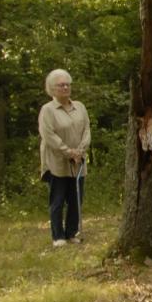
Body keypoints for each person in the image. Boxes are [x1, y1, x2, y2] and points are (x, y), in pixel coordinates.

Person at [38, 69, 90, 247]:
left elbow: (87, 130)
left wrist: (80, 150)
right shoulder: (47, 110)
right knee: (58, 199)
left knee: (76, 198)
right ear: (52, 89)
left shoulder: (80, 106)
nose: (66, 87)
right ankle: (58, 236)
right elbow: (49, 136)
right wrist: (68, 151)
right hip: (57, 162)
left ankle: (71, 232)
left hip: (78, 160)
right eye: (61, 85)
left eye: (68, 84)